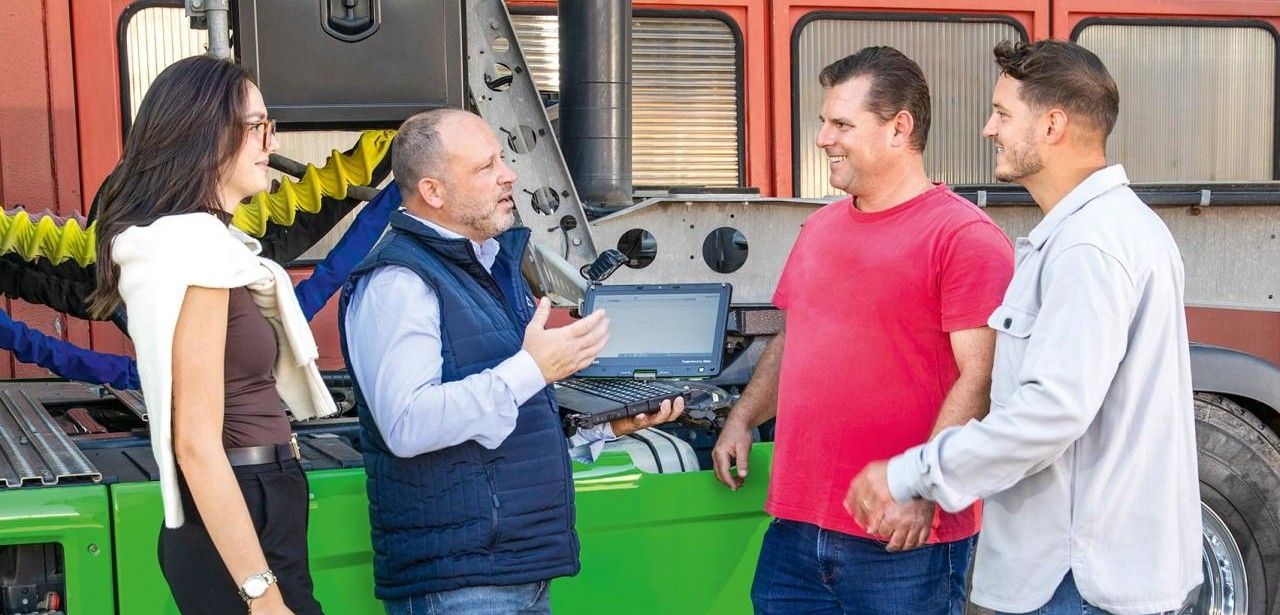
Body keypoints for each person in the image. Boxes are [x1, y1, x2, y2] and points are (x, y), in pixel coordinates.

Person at [848, 40, 1203, 615]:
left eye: (1003, 114)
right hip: (1087, 570)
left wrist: (911, 472)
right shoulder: (1109, 228)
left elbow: (1051, 413)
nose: (989, 129)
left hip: (1076, 577)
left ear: (1053, 125)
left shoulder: (1089, 244)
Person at [338, 108, 684, 615]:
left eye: (502, 159)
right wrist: (534, 368)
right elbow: (407, 425)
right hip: (461, 584)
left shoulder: (488, 266)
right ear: (433, 191)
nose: (510, 175)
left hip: (514, 572)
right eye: (486, 167)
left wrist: (602, 429)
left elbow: (498, 430)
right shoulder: (399, 282)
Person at [710, 46, 1014, 614]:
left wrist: (922, 486)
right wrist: (743, 419)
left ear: (900, 128)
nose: (823, 138)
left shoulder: (964, 238)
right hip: (796, 528)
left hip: (903, 538)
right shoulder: (819, 228)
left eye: (841, 124)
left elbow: (981, 379)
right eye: (824, 122)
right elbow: (792, 339)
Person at [88, 55, 337, 614]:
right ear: (205, 134)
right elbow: (196, 446)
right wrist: (261, 596)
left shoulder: (210, 248)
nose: (272, 142)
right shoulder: (193, 252)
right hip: (240, 505)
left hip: (255, 498)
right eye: (258, 126)